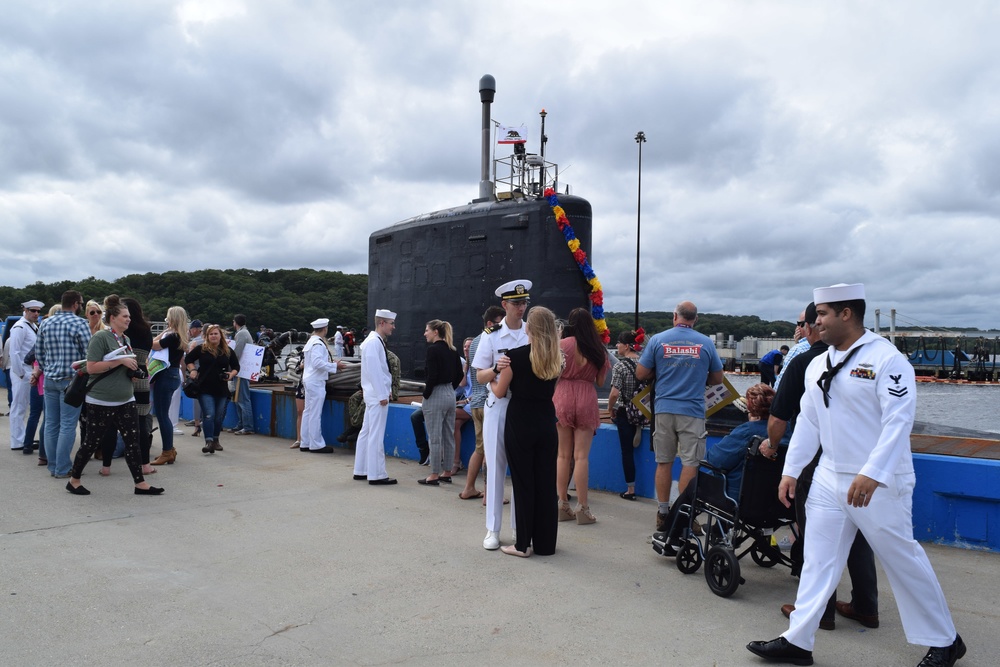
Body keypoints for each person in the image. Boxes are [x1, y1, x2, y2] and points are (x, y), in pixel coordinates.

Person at [747, 283, 965, 667]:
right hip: (829, 476)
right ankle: (798, 640)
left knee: (901, 558)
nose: (816, 322)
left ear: (847, 313)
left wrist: (874, 472)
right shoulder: (819, 363)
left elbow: (899, 421)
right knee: (818, 559)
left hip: (877, 482)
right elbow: (810, 422)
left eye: (823, 314)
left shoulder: (887, 360)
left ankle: (946, 640)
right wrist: (791, 470)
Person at [761, 301, 879, 631]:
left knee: (819, 538)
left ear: (813, 325)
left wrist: (772, 447)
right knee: (858, 534)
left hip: (818, 463)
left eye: (803, 321)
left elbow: (778, 418)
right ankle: (867, 605)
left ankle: (819, 611)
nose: (801, 327)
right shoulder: (865, 358)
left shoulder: (805, 363)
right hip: (860, 461)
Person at [653, 383, 775, 555]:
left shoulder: (747, 432)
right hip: (775, 502)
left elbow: (716, 459)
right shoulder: (788, 431)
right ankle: (718, 531)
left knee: (695, 486)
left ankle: (671, 537)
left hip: (740, 500)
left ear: (750, 409)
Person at [636, 301, 724, 533]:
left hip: (664, 408)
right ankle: (684, 515)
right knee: (690, 463)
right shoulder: (705, 342)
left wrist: (660, 370)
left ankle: (663, 512)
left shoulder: (657, 340)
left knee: (663, 461)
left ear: (675, 316)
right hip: (692, 411)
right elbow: (717, 379)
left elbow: (641, 373)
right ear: (695, 319)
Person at [65, 294, 163, 497]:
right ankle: (74, 481)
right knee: (91, 442)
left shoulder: (125, 339)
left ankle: (140, 484)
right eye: (124, 316)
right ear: (112, 318)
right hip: (101, 400)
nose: (128, 319)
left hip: (126, 398)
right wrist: (120, 362)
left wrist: (132, 374)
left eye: (129, 316)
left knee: (133, 442)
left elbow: (122, 367)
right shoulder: (101, 337)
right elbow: (91, 367)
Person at [491, 306, 562, 557]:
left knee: (523, 483)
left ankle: (522, 545)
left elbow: (500, 391)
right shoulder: (557, 358)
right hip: (546, 421)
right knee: (545, 483)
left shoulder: (515, 356)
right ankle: (545, 544)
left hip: (520, 422)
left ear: (529, 328)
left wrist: (492, 376)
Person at [472, 279, 532, 550]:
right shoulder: (491, 335)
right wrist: (497, 369)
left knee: (521, 469)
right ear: (505, 305)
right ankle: (492, 529)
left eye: (524, 303)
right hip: (498, 405)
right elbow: (480, 375)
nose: (521, 307)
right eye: (517, 303)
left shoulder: (532, 333)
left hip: (524, 406)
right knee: (496, 467)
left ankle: (520, 528)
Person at [554, 307, 611, 525]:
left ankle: (561, 503)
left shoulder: (561, 346)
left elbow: (554, 374)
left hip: (563, 397)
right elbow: (599, 382)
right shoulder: (598, 350)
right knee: (581, 457)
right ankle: (583, 508)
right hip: (586, 397)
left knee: (562, 455)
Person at [34, 292, 90, 477]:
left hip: (50, 379)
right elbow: (89, 354)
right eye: (81, 303)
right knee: (67, 425)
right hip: (71, 381)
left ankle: (53, 466)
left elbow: (39, 353)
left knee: (51, 423)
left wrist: (47, 367)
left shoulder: (46, 322)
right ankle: (63, 468)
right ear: (75, 304)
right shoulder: (80, 323)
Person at [458, 306, 505, 502]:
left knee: (480, 449)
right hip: (488, 400)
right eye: (500, 322)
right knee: (491, 450)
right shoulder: (491, 340)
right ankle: (489, 494)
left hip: (475, 402)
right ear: (490, 323)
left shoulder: (475, 341)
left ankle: (469, 488)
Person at [353, 309, 398, 485]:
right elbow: (374, 370)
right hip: (376, 394)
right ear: (382, 323)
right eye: (391, 323)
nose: (393, 327)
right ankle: (377, 474)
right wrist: (382, 394)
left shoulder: (373, 341)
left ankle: (361, 469)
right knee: (375, 434)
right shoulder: (374, 342)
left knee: (366, 432)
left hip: (372, 393)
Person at [418, 320, 463, 485]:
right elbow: (459, 374)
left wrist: (426, 394)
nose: (425, 333)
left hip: (436, 393)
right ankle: (447, 472)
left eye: (427, 330)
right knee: (448, 435)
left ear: (436, 331)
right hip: (450, 394)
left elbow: (432, 375)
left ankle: (434, 474)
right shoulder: (453, 350)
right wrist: (451, 388)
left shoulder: (432, 350)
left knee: (435, 436)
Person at [185, 324, 240, 454]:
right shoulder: (201, 349)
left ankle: (215, 439)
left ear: (221, 335)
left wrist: (231, 375)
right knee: (209, 415)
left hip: (221, 388)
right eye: (211, 334)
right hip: (205, 388)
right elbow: (188, 359)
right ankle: (208, 441)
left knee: (218, 417)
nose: (213, 336)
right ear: (207, 336)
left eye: (216, 334)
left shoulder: (227, 351)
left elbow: (236, 366)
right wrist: (192, 370)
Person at [607, 328, 647, 501]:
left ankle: (630, 489)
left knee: (627, 451)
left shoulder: (620, 366)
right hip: (642, 411)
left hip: (625, 411)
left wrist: (610, 409)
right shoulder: (645, 364)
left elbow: (615, 393)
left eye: (618, 343)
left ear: (627, 346)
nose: (616, 345)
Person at [122, 298, 157, 476]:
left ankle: (106, 465)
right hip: (143, 377)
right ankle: (145, 464)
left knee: (115, 423)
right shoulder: (146, 330)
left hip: (122, 377)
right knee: (142, 423)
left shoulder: (122, 332)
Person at [150, 306, 189, 465]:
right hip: (173, 374)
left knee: (162, 415)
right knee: (163, 413)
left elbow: (153, 344)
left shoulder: (172, 336)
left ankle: (167, 451)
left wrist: (164, 331)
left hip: (165, 375)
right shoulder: (180, 335)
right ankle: (169, 450)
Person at [300, 318, 345, 453]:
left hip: (308, 379)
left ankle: (305, 442)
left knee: (308, 412)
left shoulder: (311, 341)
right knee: (314, 413)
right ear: (325, 329)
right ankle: (316, 444)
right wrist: (334, 366)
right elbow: (317, 363)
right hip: (316, 381)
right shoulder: (318, 344)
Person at [8, 299, 44, 451]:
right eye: (32, 311)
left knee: (26, 407)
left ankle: (22, 437)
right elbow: (14, 352)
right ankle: (17, 440)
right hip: (22, 371)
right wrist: (21, 374)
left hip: (29, 371)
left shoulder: (32, 326)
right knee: (19, 406)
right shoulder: (20, 327)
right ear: (25, 310)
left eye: (38, 311)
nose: (36, 313)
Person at [231, 314, 255, 435]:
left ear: (235, 322)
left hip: (241, 371)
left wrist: (230, 366)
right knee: (239, 398)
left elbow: (237, 353)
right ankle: (241, 424)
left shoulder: (241, 334)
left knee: (243, 399)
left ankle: (248, 426)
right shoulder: (246, 333)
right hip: (243, 370)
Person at [774, 312, 809, 391]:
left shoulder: (797, 350)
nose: (797, 327)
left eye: (799, 324)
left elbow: (781, 384)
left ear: (808, 326)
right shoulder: (831, 347)